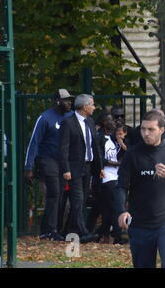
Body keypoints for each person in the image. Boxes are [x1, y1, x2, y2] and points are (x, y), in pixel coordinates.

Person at [115, 110, 165, 268]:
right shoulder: (132, 154)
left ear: (162, 130)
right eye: (143, 129)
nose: (146, 133)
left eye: (151, 129)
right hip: (140, 223)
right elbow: (121, 186)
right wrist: (122, 210)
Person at [24, 89, 74, 241]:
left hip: (64, 162)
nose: (69, 103)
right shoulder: (45, 118)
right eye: (65, 100)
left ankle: (47, 230)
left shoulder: (71, 116)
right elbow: (34, 143)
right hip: (48, 160)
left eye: (70, 100)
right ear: (57, 101)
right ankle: (51, 230)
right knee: (54, 193)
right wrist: (28, 167)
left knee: (58, 197)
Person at [58, 94, 103, 243]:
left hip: (88, 166)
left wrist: (99, 167)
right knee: (77, 200)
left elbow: (94, 145)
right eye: (92, 104)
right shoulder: (68, 123)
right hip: (74, 167)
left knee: (82, 201)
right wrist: (66, 169)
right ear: (85, 106)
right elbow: (63, 148)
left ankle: (68, 231)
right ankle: (83, 233)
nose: (94, 107)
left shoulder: (90, 121)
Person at [95, 113, 127, 244]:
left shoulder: (113, 138)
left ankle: (101, 233)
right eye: (110, 120)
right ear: (103, 122)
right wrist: (118, 164)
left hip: (116, 175)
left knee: (108, 208)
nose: (114, 122)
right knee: (116, 205)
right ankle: (117, 237)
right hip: (106, 177)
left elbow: (122, 153)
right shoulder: (99, 138)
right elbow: (100, 158)